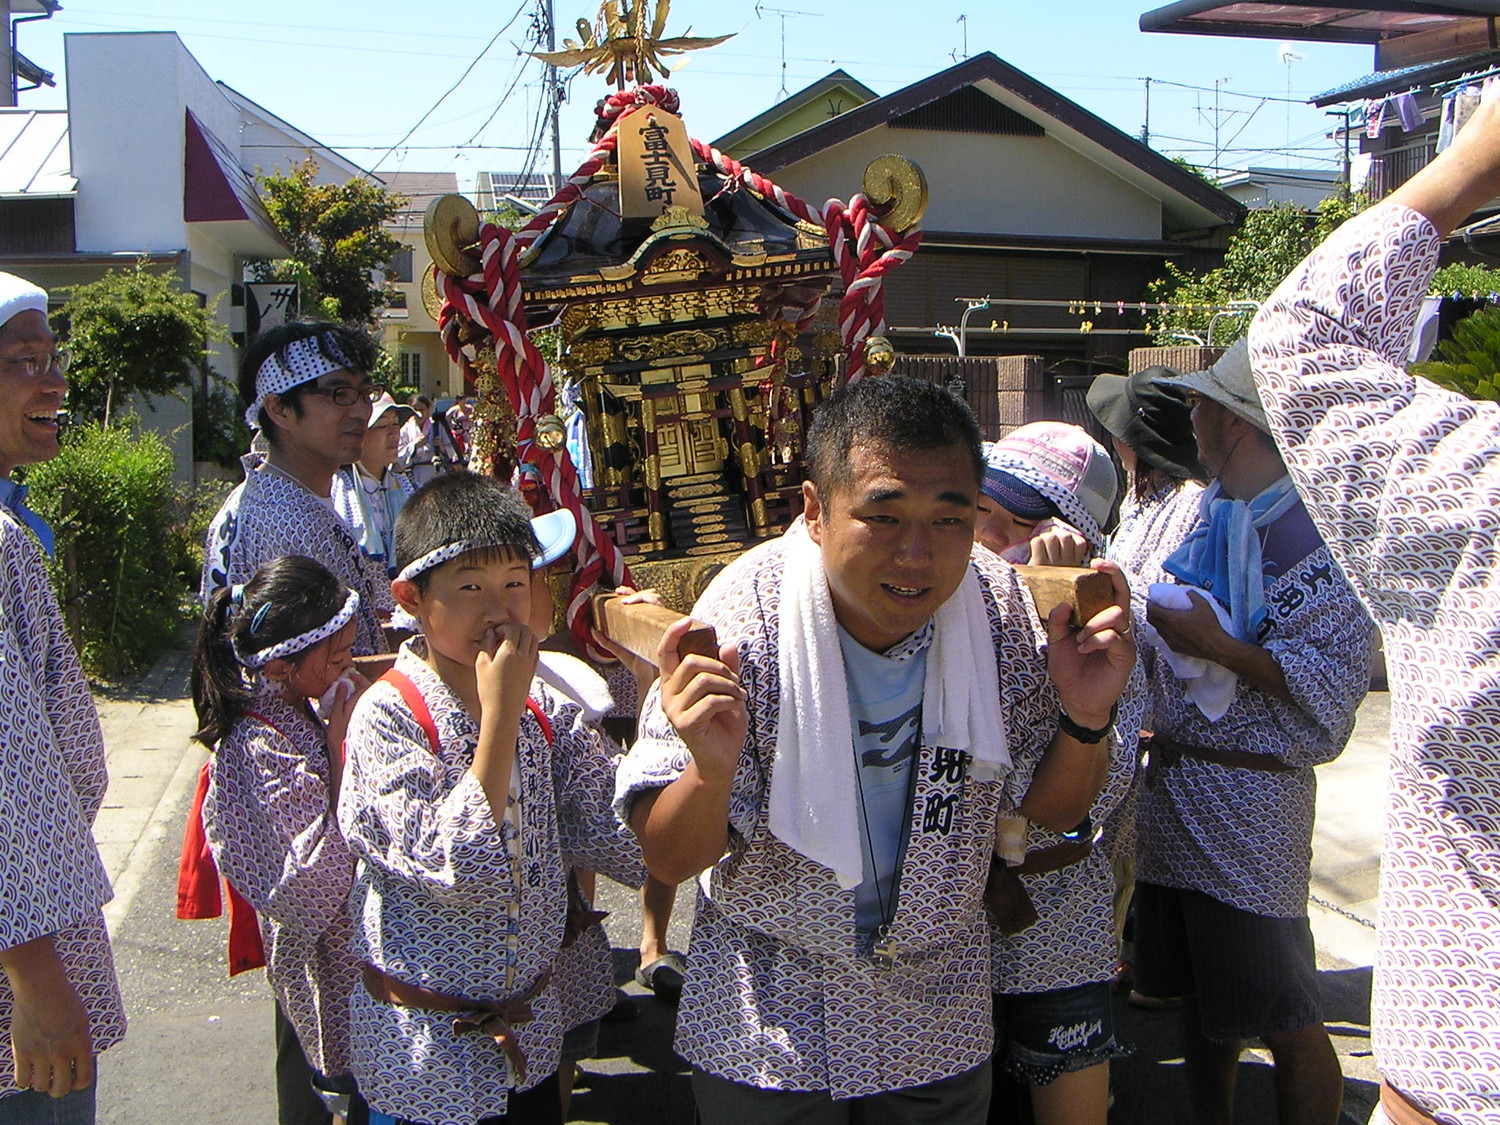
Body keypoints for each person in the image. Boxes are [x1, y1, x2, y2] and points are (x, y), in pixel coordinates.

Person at [617, 375, 1135, 1123]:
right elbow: (669, 858)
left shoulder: (998, 611)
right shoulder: (742, 620)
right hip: (770, 1020)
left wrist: (1085, 718)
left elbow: (1048, 813)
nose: (916, 554)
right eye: (883, 516)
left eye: (949, 519)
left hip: (936, 1016)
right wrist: (710, 769)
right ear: (814, 511)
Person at [1249, 78, 1500, 1125]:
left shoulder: (1472, 493)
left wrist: (1464, 167)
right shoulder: (1188, 518)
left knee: (1278, 1011)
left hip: (1461, 1064)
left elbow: (1304, 337)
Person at [338, 473, 635, 1125]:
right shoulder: (388, 715)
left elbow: (628, 843)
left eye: (514, 582)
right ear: (411, 597)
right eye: (470, 587)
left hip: (529, 1035)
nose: (499, 609)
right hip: (422, 1058)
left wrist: (659, 698)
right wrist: (500, 715)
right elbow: (458, 863)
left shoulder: (546, 709)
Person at [1133, 341, 1376, 1125]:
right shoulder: (1206, 509)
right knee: (1201, 999)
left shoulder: (1321, 539)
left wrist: (1222, 647)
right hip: (1177, 791)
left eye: (1201, 403)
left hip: (1252, 807)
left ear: (1235, 422)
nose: (1190, 415)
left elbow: (1334, 688)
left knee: (1283, 1007)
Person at [975, 422, 1134, 1125]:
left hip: (1059, 909)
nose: (991, 535)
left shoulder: (1112, 623)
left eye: (1022, 523)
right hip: (951, 918)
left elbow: (1070, 803)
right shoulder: (938, 603)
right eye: (981, 509)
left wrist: (1055, 607)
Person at [0, 271, 125, 1122]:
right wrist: (38, 981)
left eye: (51, 358)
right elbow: (6, 780)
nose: (53, 383)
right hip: (21, 966)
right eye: (22, 362)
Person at [191, 556, 369, 1124]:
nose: (348, 666)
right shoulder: (255, 747)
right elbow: (311, 886)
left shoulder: (300, 708)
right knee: (352, 1095)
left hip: (357, 958)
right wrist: (341, 752)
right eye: (337, 657)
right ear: (279, 667)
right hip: (331, 964)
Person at [1085, 366, 1206, 1006]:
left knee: (1143, 845)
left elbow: (1176, 602)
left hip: (1165, 691)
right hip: (1132, 687)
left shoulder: (1192, 505)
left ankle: (1147, 968)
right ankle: (1135, 957)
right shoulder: (1140, 500)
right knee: (1129, 839)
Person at [202, 322, 393, 657]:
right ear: (279, 409)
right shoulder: (286, 521)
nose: (362, 411)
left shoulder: (276, 496)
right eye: (340, 394)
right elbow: (311, 670)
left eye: (365, 393)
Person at [334, 393, 416, 577]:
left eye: (396, 424)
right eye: (382, 425)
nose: (394, 433)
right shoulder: (339, 488)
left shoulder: (404, 486)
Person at [395, 395, 437, 486]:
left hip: (436, 473)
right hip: (415, 475)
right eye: (415, 410)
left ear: (428, 409)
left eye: (422, 410)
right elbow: (398, 457)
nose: (419, 413)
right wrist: (414, 445)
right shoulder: (405, 430)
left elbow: (451, 451)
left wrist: (442, 448)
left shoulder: (436, 427)